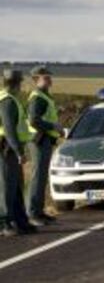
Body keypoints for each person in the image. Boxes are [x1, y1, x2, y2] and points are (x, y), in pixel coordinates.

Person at [0, 69, 37, 236]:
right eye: (21, 82)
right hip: (6, 148)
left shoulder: (9, 99)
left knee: (15, 187)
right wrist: (18, 151)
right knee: (6, 188)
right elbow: (9, 129)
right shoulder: (7, 101)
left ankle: (20, 221)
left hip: (10, 148)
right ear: (17, 83)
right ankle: (4, 224)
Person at [27, 66, 64, 226]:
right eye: (46, 77)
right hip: (39, 140)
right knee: (37, 178)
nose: (50, 79)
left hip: (45, 140)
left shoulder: (44, 96)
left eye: (49, 76)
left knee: (42, 178)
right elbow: (34, 120)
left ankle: (39, 212)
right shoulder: (38, 98)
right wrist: (53, 126)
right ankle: (33, 214)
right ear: (36, 79)